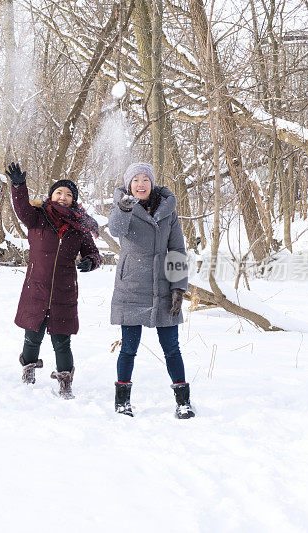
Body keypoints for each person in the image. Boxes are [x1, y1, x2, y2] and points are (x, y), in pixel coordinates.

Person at [6, 162, 102, 399]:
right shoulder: (37, 218)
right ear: (51, 195)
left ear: (74, 200)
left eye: (68, 195)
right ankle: (28, 371)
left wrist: (90, 261)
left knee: (62, 341)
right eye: (59, 192)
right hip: (35, 288)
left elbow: (94, 253)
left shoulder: (79, 227)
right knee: (32, 336)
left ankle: (65, 381)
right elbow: (20, 209)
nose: (63, 197)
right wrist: (19, 186)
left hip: (64, 291)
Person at [108, 162, 194, 418]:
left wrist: (179, 287)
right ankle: (122, 401)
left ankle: (183, 401)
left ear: (152, 183)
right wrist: (123, 208)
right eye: (136, 180)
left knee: (172, 347)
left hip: (162, 286)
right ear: (128, 184)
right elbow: (115, 229)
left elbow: (177, 249)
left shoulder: (168, 210)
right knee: (129, 348)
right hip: (131, 285)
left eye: (146, 179)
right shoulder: (122, 206)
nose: (141, 184)